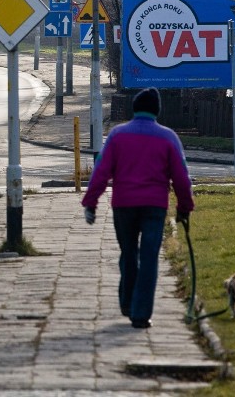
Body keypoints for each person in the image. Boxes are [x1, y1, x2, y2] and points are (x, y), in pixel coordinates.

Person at [81, 87, 194, 329]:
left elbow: (101, 172)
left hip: (124, 205)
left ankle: (126, 300)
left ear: (134, 108)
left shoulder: (117, 135)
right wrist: (184, 207)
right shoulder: (168, 137)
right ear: (158, 110)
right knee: (150, 257)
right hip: (155, 206)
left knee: (129, 253)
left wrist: (90, 202)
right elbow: (182, 178)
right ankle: (141, 314)